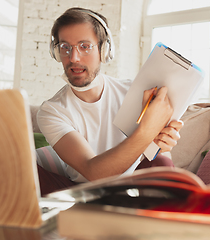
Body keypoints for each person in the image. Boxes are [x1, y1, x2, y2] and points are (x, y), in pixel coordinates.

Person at [36, 7, 183, 195]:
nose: (73, 57)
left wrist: (162, 145)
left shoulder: (136, 93)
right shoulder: (52, 111)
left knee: (161, 163)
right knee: (26, 170)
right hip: (81, 194)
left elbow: (158, 160)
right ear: (56, 53)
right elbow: (94, 172)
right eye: (65, 47)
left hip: (134, 190)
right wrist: (146, 131)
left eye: (85, 46)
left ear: (104, 51)